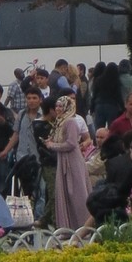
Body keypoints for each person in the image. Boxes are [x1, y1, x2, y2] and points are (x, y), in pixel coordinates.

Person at [45, 93, 92, 230]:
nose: (58, 109)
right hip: (63, 159)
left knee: (77, 192)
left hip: (72, 160)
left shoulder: (70, 122)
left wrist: (52, 145)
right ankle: (70, 226)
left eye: (61, 106)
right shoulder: (60, 122)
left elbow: (71, 144)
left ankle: (84, 226)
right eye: (57, 106)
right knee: (67, 192)